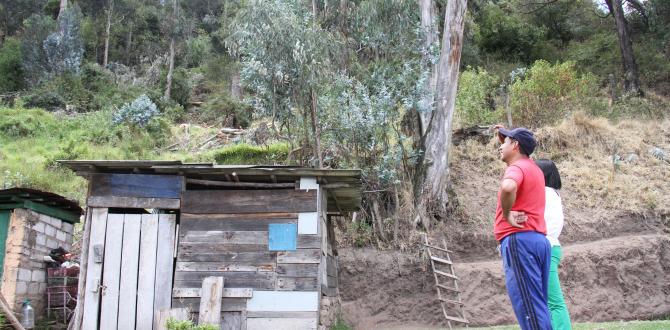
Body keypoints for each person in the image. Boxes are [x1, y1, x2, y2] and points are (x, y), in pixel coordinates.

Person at [494, 126, 552, 330]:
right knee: (537, 306)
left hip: (520, 242)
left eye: (506, 142)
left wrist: (507, 213)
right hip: (538, 241)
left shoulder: (516, 167)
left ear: (516, 145)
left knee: (530, 311)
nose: (501, 146)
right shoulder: (534, 169)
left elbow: (508, 187)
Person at [535, 159, 572, 329]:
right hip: (551, 246)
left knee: (554, 301)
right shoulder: (553, 193)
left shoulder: (544, 192)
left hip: (546, 247)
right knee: (548, 301)